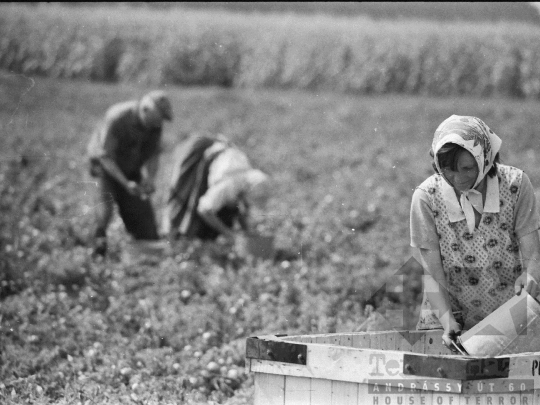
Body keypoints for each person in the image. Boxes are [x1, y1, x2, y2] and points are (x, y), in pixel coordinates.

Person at [410, 115, 540, 351]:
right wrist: (447, 320)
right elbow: (432, 273)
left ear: (485, 158)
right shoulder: (426, 198)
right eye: (448, 169)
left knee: (507, 382)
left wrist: (530, 274)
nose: (458, 179)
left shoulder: (516, 186)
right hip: (446, 313)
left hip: (505, 316)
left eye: (467, 168)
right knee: (444, 381)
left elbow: (531, 248)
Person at [87, 90, 173, 257]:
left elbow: (154, 155)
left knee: (145, 224)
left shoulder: (155, 125)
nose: (158, 125)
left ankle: (141, 255)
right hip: (105, 168)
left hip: (131, 169)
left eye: (161, 121)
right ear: (145, 110)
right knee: (104, 213)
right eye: (156, 120)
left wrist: (150, 178)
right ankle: (96, 251)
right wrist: (125, 184)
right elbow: (104, 156)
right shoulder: (118, 117)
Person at [161, 133, 270, 242]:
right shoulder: (229, 184)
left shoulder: (246, 180)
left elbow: (240, 208)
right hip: (205, 166)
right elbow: (204, 209)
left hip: (221, 161)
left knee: (229, 210)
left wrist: (248, 234)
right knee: (195, 215)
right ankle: (180, 238)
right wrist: (229, 234)